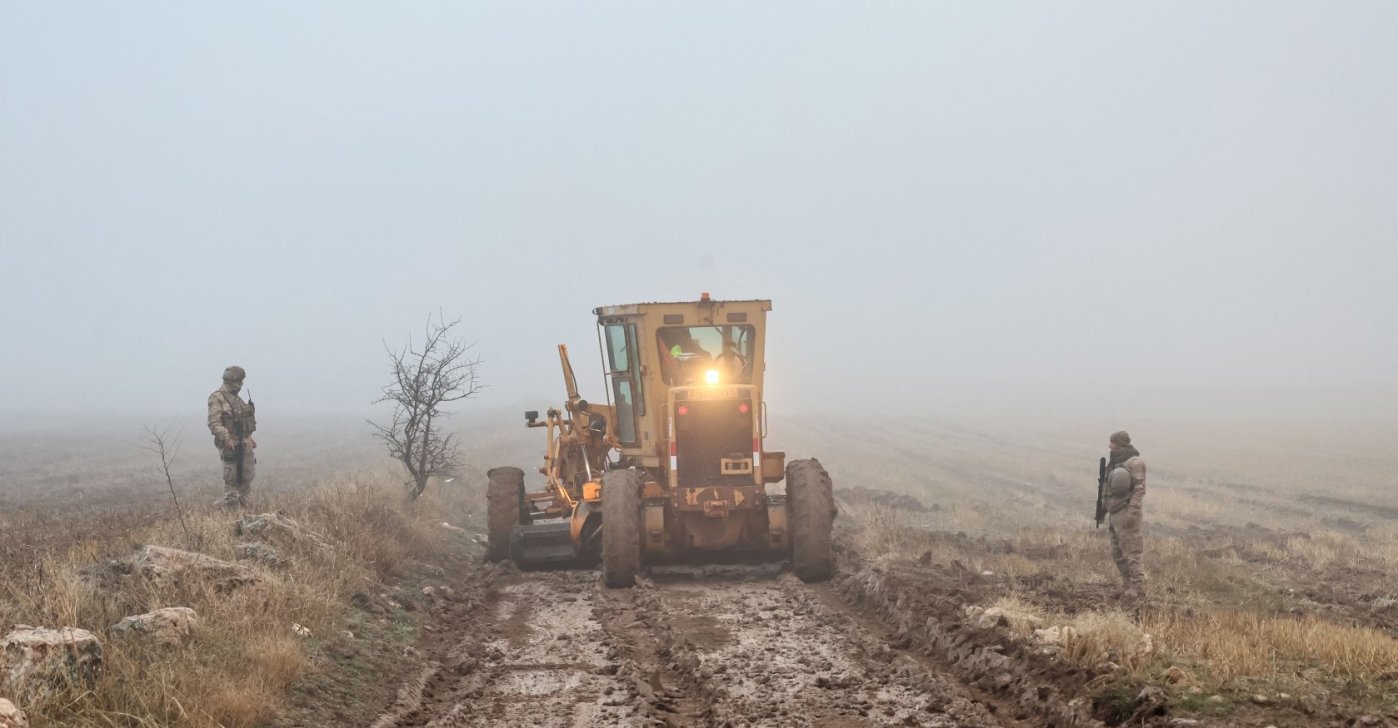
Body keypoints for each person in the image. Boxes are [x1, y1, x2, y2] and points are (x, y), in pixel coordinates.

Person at [1104, 430, 1146, 600]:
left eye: (1112, 442)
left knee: (1131, 552)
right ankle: (1127, 585)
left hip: (1126, 512)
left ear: (1120, 443)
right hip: (1115, 512)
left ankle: (1137, 587)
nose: (1109, 445)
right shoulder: (1116, 462)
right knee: (1117, 552)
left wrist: (1132, 511)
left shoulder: (1135, 463)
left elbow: (1139, 489)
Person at [208, 365, 257, 508]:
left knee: (247, 476)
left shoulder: (237, 399)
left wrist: (248, 436)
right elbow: (214, 422)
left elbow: (242, 420)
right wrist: (226, 438)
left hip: (243, 443)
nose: (242, 384)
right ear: (234, 381)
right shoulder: (217, 398)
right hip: (230, 445)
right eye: (240, 381)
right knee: (232, 479)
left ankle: (245, 508)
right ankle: (229, 511)